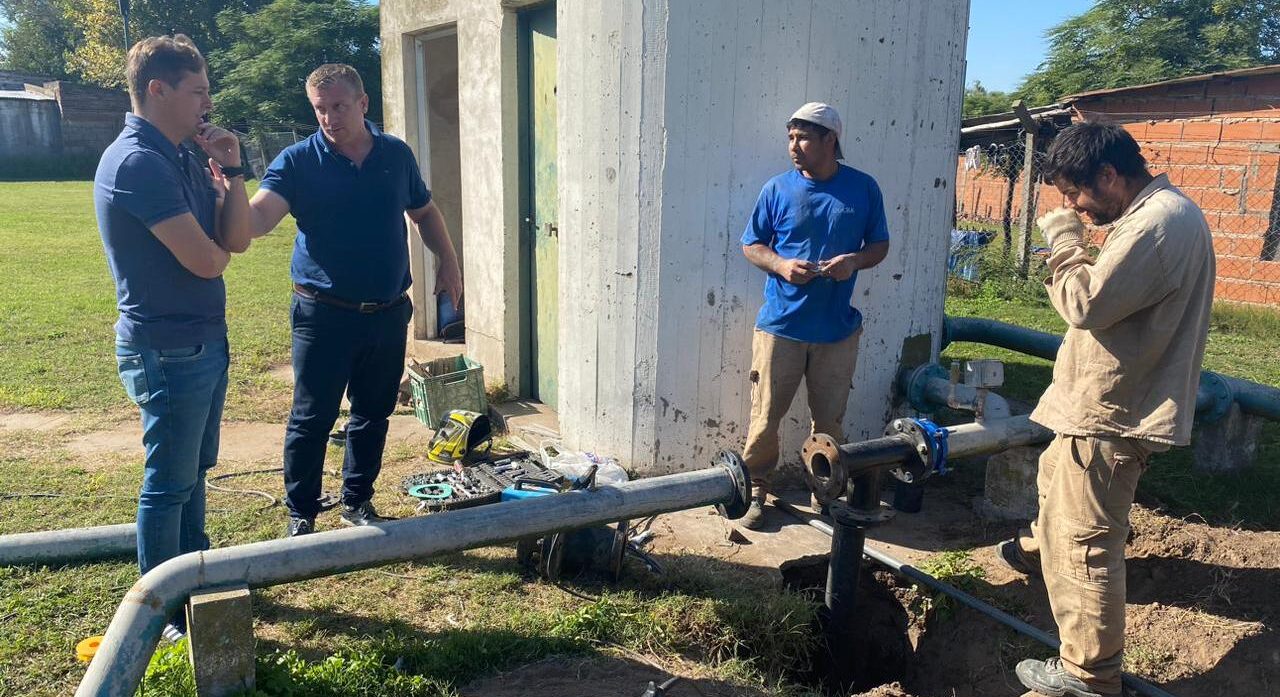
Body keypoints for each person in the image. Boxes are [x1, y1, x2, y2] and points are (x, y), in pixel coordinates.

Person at [1000, 122, 1214, 697]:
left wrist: (1064, 240)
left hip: (1110, 417)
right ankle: (1035, 554)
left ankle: (1087, 678)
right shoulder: (1161, 216)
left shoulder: (1156, 224)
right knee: (1055, 496)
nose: (1071, 206)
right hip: (1101, 410)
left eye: (1075, 194)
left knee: (1086, 548)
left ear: (1110, 175)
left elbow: (1083, 301)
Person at [221, 64, 462, 537]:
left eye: (339, 106)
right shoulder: (296, 162)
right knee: (312, 417)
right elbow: (256, 221)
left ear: (363, 103)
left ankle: (358, 501)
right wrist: (229, 180)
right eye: (320, 109)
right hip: (323, 315)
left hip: (387, 313)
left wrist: (449, 262)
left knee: (373, 413)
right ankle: (302, 512)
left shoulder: (395, 154)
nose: (329, 118)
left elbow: (424, 211)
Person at [94, 34, 249, 636]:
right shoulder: (137, 162)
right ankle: (160, 612)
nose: (207, 104)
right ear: (156, 90)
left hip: (203, 338)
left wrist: (232, 169)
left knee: (192, 473)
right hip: (169, 349)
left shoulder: (184, 152)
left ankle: (195, 580)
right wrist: (214, 244)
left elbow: (234, 240)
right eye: (197, 92)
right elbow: (208, 262)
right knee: (168, 483)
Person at [737, 102, 891, 529]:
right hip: (781, 327)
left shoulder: (863, 189)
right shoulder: (777, 189)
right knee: (766, 417)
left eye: (803, 137)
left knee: (829, 422)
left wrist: (854, 262)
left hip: (837, 332)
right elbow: (752, 244)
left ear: (830, 140)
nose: (794, 146)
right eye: (790, 137)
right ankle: (756, 492)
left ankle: (823, 494)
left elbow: (879, 246)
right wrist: (782, 265)